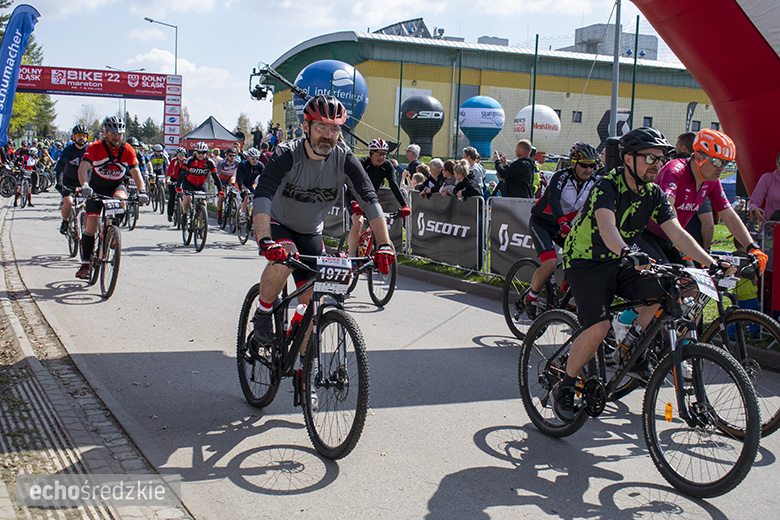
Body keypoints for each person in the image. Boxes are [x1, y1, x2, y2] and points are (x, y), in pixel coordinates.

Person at [551, 127, 736, 423]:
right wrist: (626, 253)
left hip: (619, 260)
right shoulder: (606, 186)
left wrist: (709, 262)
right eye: (650, 157)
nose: (656, 164)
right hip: (586, 260)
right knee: (598, 328)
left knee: (665, 291)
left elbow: (677, 234)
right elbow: (607, 227)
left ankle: (631, 347)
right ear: (628, 158)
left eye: (661, 158)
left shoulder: (654, 194)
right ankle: (565, 385)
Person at [250, 95, 394, 358]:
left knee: (313, 304)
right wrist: (265, 240)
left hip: (311, 231)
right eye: (321, 127)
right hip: (278, 224)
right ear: (305, 127)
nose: (328, 135)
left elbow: (369, 199)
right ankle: (264, 310)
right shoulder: (287, 154)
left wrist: (384, 244)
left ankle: (304, 374)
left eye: (335, 129)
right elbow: (263, 196)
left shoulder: (344, 158)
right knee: (285, 258)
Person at [639, 129, 765, 269]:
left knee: (692, 286)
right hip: (646, 234)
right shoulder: (675, 170)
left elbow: (729, 215)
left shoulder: (711, 180)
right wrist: (682, 242)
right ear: (698, 158)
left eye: (726, 163)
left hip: (673, 239)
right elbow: (667, 207)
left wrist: (752, 247)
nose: (722, 168)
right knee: (663, 280)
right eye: (717, 162)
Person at [524, 142, 599, 318]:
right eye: (584, 165)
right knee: (550, 263)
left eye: (592, 165)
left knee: (583, 257)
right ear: (573, 163)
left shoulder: (594, 183)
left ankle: (567, 290)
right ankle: (532, 295)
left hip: (565, 226)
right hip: (542, 223)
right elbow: (554, 200)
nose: (589, 169)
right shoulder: (560, 177)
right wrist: (563, 222)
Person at [75, 117, 148, 279]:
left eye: (120, 133)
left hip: (116, 186)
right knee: (91, 225)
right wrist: (85, 186)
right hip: (95, 188)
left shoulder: (127, 149)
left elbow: (136, 172)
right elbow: (83, 167)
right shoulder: (95, 147)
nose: (117, 137)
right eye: (114, 133)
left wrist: (142, 191)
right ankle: (86, 263)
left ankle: (112, 231)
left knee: (121, 199)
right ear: (105, 132)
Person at [345, 138, 409, 256]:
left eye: (384, 154)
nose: (381, 157)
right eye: (378, 154)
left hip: (369, 198)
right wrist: (354, 202)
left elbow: (394, 185)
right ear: (371, 154)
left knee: (377, 223)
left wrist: (404, 205)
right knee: (358, 222)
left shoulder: (387, 165)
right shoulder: (362, 163)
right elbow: (352, 184)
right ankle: (352, 256)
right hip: (353, 195)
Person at [55, 125, 89, 234]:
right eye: (79, 135)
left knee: (91, 205)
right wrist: (59, 182)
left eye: (83, 136)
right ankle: (65, 221)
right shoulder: (68, 150)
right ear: (73, 137)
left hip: (85, 182)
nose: (81, 138)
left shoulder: (90, 150)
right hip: (69, 181)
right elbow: (60, 167)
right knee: (68, 202)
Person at [176, 141, 222, 218]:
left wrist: (220, 190)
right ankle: (184, 214)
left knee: (203, 203)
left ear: (206, 153)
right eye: (199, 152)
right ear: (195, 152)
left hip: (201, 183)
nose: (201, 155)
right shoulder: (190, 160)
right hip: (189, 182)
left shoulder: (209, 162)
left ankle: (201, 224)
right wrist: (178, 186)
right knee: (188, 198)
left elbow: (215, 176)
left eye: (203, 153)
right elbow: (182, 174)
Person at [748, 151, 780, 226]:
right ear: (776, 162)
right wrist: (754, 209)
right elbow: (754, 202)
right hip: (769, 227)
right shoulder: (767, 178)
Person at [236, 147, 264, 220]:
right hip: (241, 183)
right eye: (253, 158)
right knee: (247, 195)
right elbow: (239, 178)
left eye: (257, 159)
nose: (255, 161)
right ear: (248, 158)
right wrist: (242, 189)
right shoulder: (242, 164)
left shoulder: (260, 165)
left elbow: (264, 178)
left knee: (256, 198)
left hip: (250, 184)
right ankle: (242, 214)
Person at [216, 148, 240, 221]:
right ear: (226, 155)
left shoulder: (237, 163)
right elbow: (216, 174)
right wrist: (217, 182)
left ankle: (232, 202)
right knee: (221, 196)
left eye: (233, 155)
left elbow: (240, 173)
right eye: (230, 155)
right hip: (222, 179)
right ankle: (219, 214)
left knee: (234, 190)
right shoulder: (221, 163)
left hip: (230, 178)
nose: (232, 157)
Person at [166, 147, 187, 222]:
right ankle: (170, 214)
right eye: (179, 154)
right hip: (174, 179)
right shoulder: (173, 161)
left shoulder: (186, 161)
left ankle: (185, 213)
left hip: (183, 180)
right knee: (172, 196)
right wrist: (168, 179)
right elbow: (169, 171)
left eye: (183, 154)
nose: (181, 156)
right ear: (177, 155)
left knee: (186, 196)